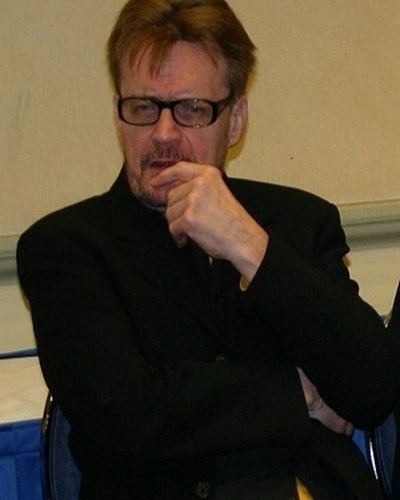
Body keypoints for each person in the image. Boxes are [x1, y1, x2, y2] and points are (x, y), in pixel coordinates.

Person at [17, 1, 400, 499]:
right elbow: (130, 417)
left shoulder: (299, 222)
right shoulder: (66, 248)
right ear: (118, 113)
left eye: (193, 109)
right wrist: (299, 394)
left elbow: (372, 388)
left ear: (235, 120)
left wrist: (249, 245)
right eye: (143, 108)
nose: (163, 135)